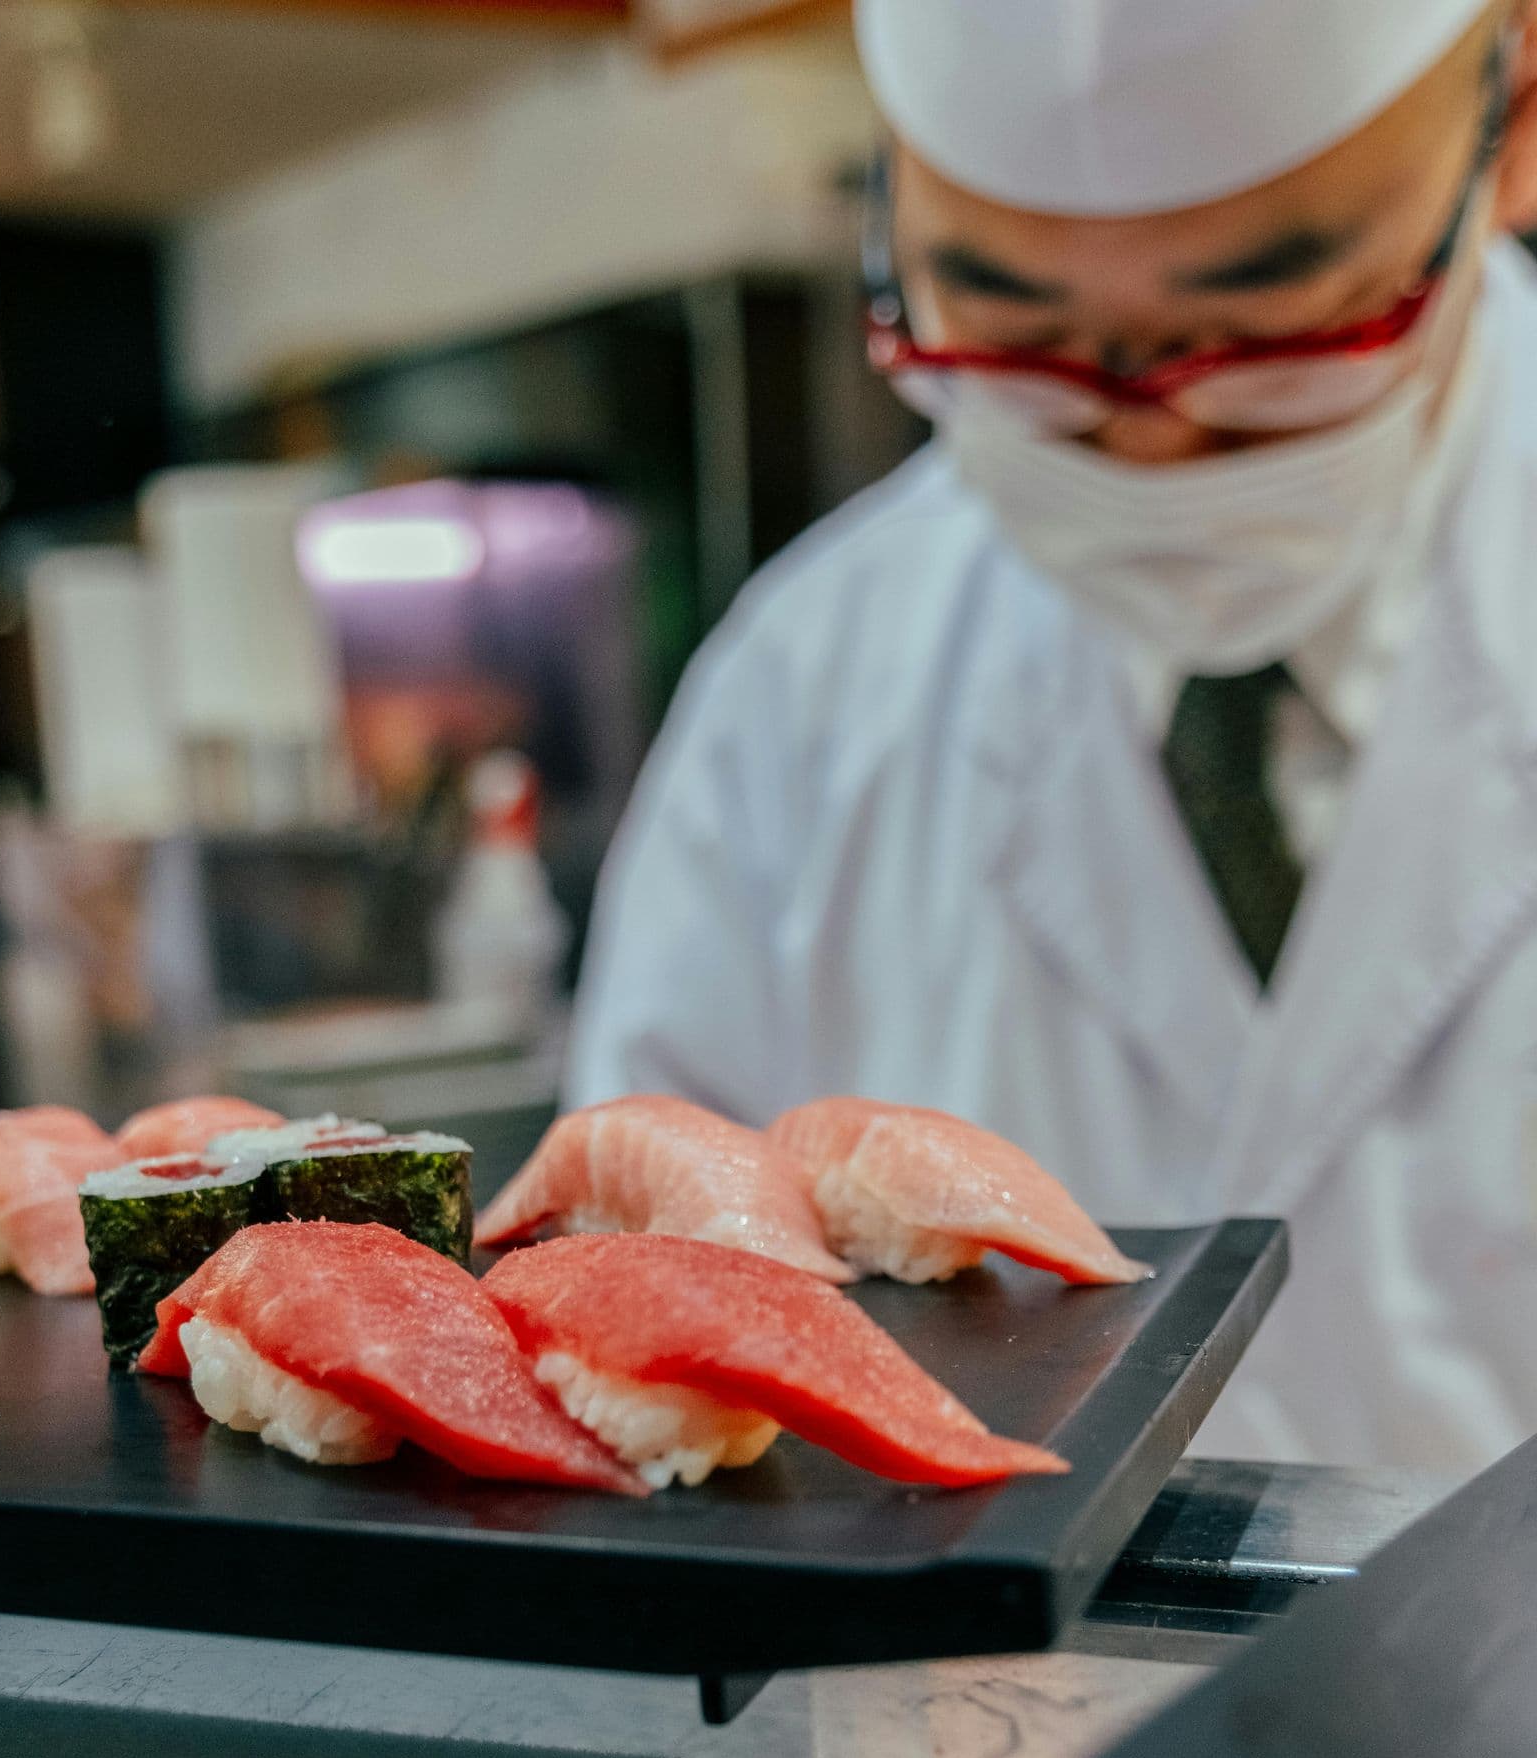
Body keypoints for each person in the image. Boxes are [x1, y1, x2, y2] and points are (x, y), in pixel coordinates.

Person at [569, 0, 1537, 1475]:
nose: (1151, 443)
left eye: (1274, 342)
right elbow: (647, 1329)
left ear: (1513, 117)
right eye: (1019, 347)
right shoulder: (807, 682)